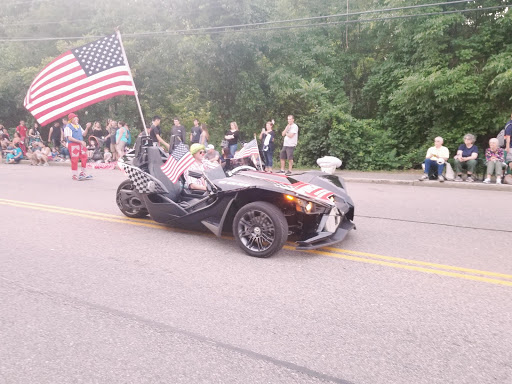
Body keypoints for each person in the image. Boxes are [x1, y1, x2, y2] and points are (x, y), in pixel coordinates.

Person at [64, 112, 92, 181]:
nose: (77, 119)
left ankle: (83, 173)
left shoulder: (78, 126)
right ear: (72, 119)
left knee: (84, 157)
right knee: (74, 159)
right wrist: (80, 142)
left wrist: (87, 128)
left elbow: (84, 134)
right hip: (73, 145)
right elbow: (69, 138)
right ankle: (74, 174)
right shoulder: (68, 127)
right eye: (75, 118)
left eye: (77, 118)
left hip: (80, 144)